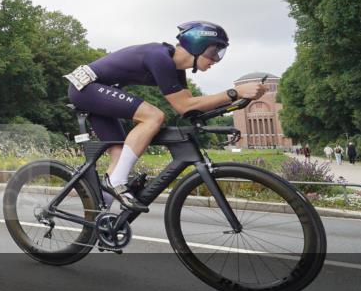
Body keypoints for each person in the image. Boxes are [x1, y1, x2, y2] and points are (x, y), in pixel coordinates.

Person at [64, 21, 265, 211]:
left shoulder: (176, 71)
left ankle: (101, 215)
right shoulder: (159, 57)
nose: (216, 59)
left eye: (221, 53)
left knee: (119, 155)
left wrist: (234, 104)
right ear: (197, 46)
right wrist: (234, 92)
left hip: (100, 91)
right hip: (86, 88)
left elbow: (188, 109)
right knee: (153, 117)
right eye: (215, 52)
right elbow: (184, 104)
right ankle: (115, 183)